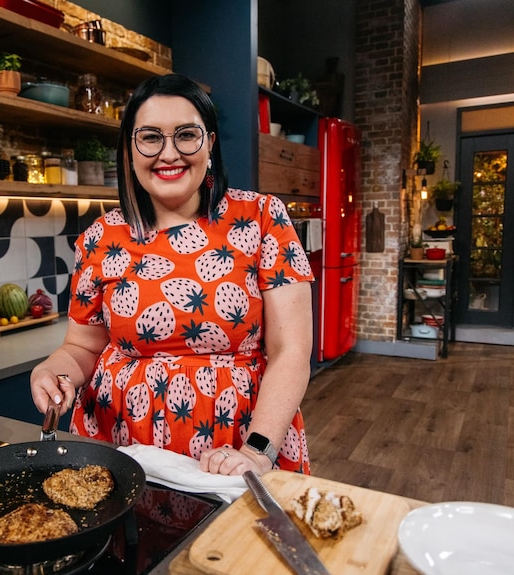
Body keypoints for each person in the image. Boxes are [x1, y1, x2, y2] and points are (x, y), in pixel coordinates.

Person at [30, 73, 314, 477]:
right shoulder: (99, 238)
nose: (169, 153)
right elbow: (83, 347)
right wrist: (53, 372)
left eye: (186, 135)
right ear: (130, 149)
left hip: (239, 447)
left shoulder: (261, 218)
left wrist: (257, 449)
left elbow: (292, 350)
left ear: (210, 144)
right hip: (121, 446)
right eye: (150, 137)